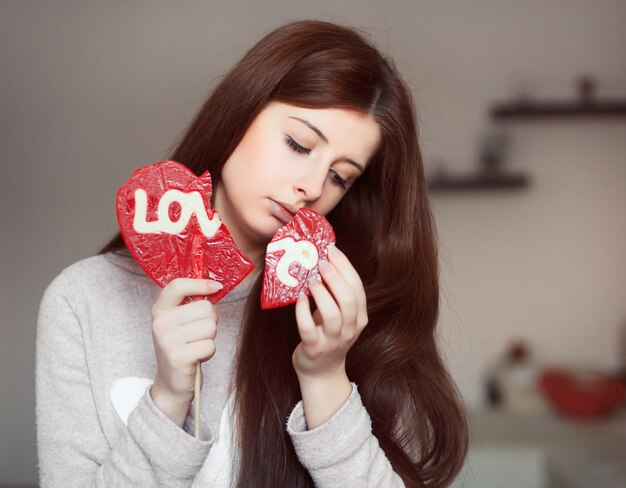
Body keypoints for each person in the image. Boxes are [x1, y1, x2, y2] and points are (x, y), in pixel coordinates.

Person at [36, 19, 468, 487]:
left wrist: (324, 378)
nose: (313, 186)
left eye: (341, 176)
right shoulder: (83, 301)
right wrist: (168, 398)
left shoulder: (343, 318)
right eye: (298, 144)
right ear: (240, 113)